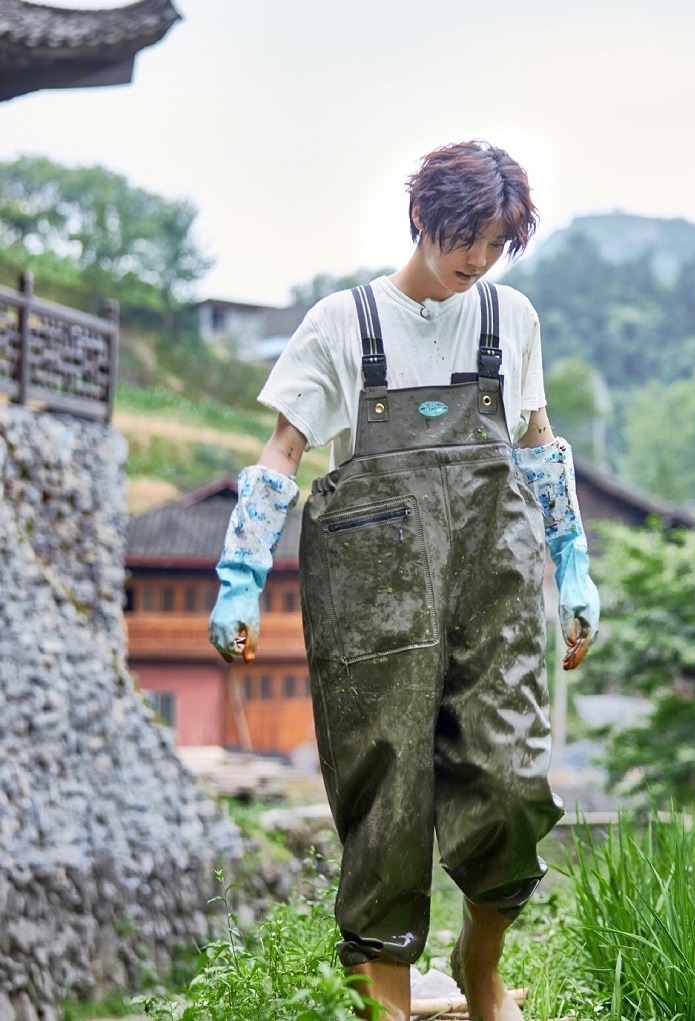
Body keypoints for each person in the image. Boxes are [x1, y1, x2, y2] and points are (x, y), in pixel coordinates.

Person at [208, 140, 600, 1021]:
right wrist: (240, 574)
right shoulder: (343, 325)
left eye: (497, 244)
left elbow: (538, 444)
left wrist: (572, 562)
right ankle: (385, 996)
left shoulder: (509, 321)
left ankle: (480, 962)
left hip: (490, 590)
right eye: (467, 236)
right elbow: (283, 452)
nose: (478, 259)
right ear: (421, 217)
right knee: (384, 793)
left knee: (510, 782)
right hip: (372, 599)